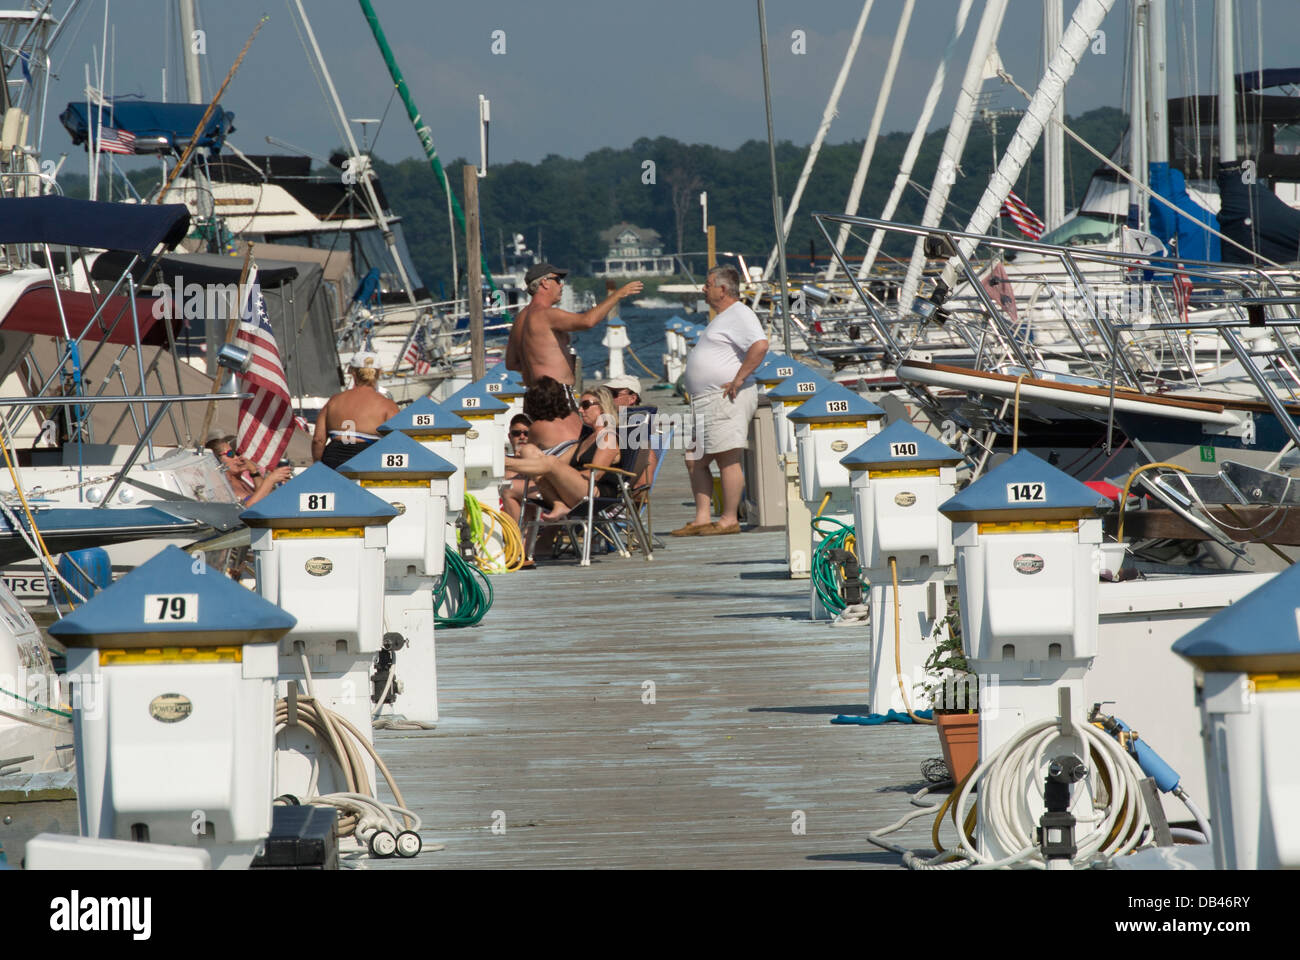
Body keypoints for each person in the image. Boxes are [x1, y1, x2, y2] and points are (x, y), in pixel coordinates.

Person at [673, 264, 769, 537]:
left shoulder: (740, 313)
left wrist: (739, 378)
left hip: (724, 397)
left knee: (727, 458)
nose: (703, 288)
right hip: (707, 399)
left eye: (708, 284)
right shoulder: (723, 317)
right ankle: (702, 517)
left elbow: (760, 345)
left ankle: (728, 519)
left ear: (723, 289)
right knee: (695, 459)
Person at [505, 262, 644, 391]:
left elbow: (511, 363)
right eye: (558, 280)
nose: (561, 285)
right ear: (544, 283)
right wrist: (618, 294)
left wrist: (539, 366)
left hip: (534, 394)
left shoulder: (520, 318)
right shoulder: (547, 314)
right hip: (555, 394)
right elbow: (587, 321)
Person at [505, 383, 619, 524]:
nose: (580, 410)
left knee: (551, 464)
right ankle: (558, 505)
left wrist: (562, 476)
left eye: (585, 405)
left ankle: (507, 463)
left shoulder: (609, 436)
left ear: (602, 407)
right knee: (529, 451)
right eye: (580, 405)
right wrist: (556, 475)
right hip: (573, 489)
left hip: (595, 493)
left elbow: (596, 474)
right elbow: (554, 461)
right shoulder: (585, 439)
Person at [313, 351, 399, 469]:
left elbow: (318, 439)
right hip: (367, 457)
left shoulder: (334, 401)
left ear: (353, 373)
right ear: (379, 373)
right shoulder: (387, 405)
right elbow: (397, 443)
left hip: (334, 456)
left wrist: (317, 466)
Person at [205, 431, 291, 507]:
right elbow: (245, 509)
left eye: (237, 454)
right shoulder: (217, 484)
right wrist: (270, 480)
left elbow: (266, 496)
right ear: (215, 459)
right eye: (230, 454)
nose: (236, 457)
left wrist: (254, 471)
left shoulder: (239, 480)